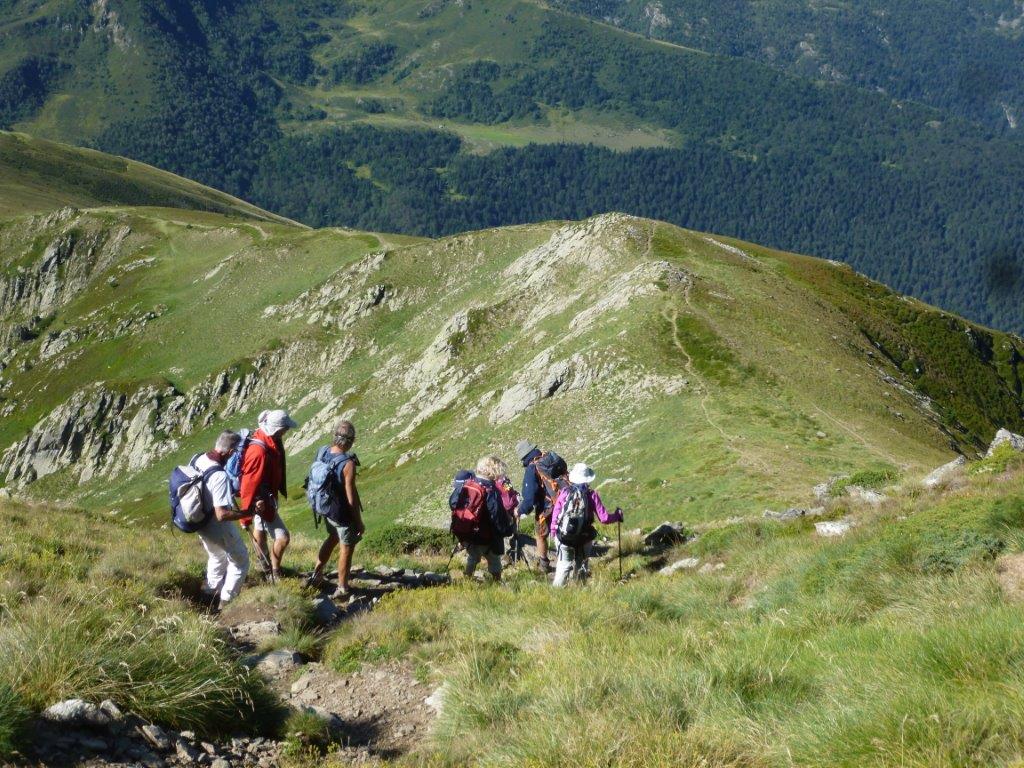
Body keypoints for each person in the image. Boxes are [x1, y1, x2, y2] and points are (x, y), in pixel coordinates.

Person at [308, 420, 365, 599]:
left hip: (324, 507)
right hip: (340, 512)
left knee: (332, 537)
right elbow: (351, 497)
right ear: (350, 441)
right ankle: (342, 588)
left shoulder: (322, 451)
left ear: (334, 436)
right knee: (346, 547)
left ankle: (317, 574)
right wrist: (358, 522)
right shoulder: (348, 463)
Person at [239, 409, 297, 582]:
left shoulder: (270, 439)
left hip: (264, 497)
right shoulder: (258, 451)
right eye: (285, 428)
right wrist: (245, 517)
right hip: (261, 501)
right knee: (283, 537)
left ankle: (264, 568)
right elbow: (248, 484)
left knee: (260, 528)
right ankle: (275, 571)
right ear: (278, 428)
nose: (287, 431)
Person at [195, 431, 251, 607]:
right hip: (214, 523)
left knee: (217, 556)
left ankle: (208, 596)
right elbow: (222, 514)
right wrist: (248, 513)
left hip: (199, 520)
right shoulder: (219, 475)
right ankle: (226, 602)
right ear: (231, 452)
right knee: (240, 559)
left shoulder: (198, 458)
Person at [549, 462, 623, 587]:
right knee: (581, 564)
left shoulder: (565, 492)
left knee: (563, 565)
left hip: (564, 536)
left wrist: (553, 531)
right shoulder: (592, 495)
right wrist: (617, 515)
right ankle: (579, 589)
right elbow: (604, 518)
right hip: (584, 537)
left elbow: (556, 513)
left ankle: (556, 592)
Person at [451, 456, 515, 581]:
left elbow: (453, 502)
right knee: (494, 559)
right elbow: (496, 515)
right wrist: (507, 530)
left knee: (473, 557)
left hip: (469, 531)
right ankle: (496, 582)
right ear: (494, 472)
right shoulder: (492, 489)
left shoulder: (468, 484)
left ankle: (467, 578)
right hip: (486, 534)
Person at [515, 440, 567, 573]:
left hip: (547, 506)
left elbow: (529, 498)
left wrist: (520, 511)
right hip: (565, 499)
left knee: (540, 534)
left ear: (523, 457)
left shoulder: (532, 468)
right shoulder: (550, 457)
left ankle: (543, 564)